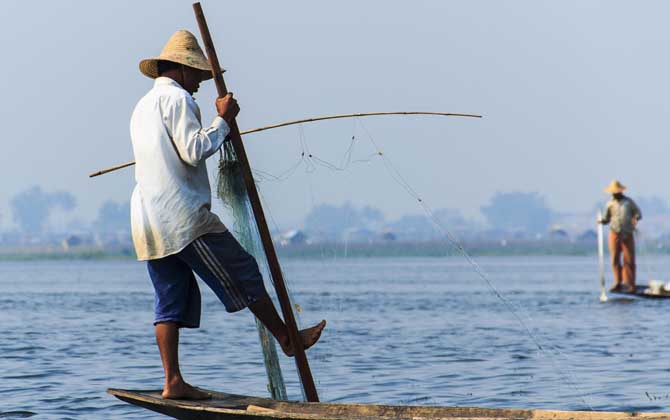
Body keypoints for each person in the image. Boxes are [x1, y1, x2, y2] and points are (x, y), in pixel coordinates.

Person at [130, 30, 326, 400]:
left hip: (146, 218)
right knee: (245, 270)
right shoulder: (179, 100)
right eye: (199, 76)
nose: (201, 84)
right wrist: (223, 120)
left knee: (170, 300)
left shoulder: (143, 105)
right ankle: (286, 337)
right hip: (181, 216)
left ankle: (172, 381)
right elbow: (193, 149)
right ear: (184, 70)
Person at [598, 180, 642, 294]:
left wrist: (635, 218)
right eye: (613, 192)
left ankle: (630, 284)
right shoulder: (610, 204)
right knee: (615, 259)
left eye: (616, 192)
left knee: (629, 260)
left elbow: (638, 213)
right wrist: (602, 221)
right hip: (614, 233)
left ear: (621, 191)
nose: (615, 194)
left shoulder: (628, 202)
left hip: (627, 233)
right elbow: (606, 219)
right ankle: (618, 282)